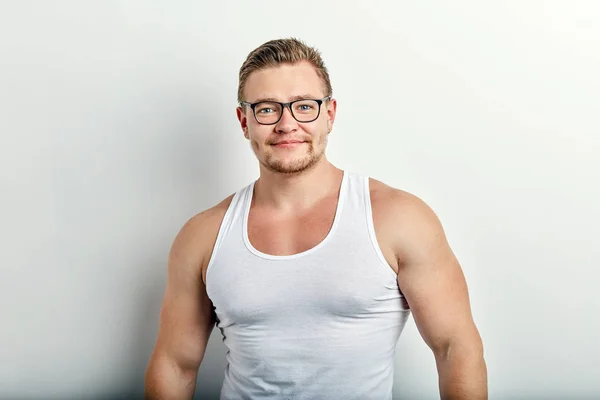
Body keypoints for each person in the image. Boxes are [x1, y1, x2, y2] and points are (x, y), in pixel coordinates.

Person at [144, 38, 487, 400]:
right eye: (266, 109)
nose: (286, 124)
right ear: (244, 121)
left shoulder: (398, 218)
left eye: (304, 106)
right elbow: (175, 364)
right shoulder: (203, 235)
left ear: (330, 115)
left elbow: (455, 347)